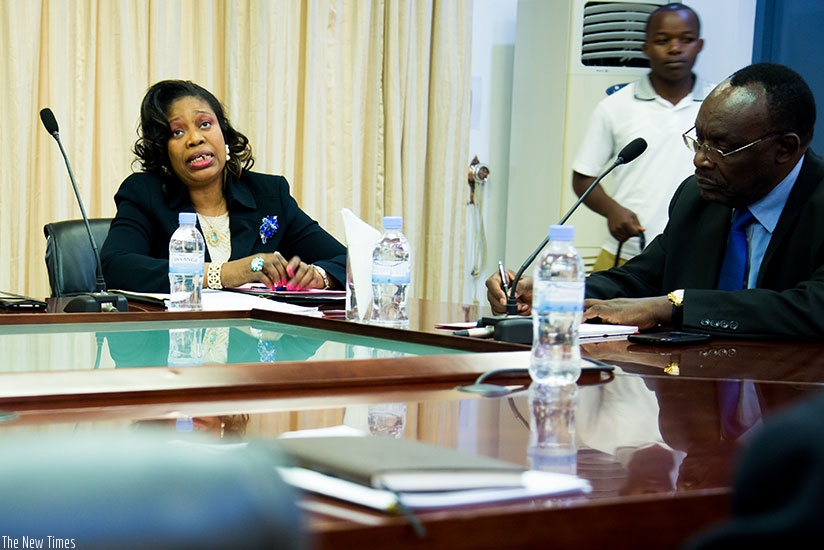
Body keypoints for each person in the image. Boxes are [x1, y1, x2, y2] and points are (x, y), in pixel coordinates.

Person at [488, 62, 824, 341]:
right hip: (695, 395)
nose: (700, 161)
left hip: (795, 400)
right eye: (699, 141)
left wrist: (673, 306)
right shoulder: (698, 198)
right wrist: (552, 293)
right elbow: (643, 278)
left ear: (784, 149)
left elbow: (813, 307)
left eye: (721, 147)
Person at [101, 79, 346, 293]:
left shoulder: (269, 195)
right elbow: (116, 266)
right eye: (177, 132)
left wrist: (320, 277)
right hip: (176, 340)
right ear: (163, 152)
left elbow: (349, 261)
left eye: (205, 124)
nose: (195, 138)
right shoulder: (145, 193)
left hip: (253, 343)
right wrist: (225, 273)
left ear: (224, 134)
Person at [572, 3, 712, 270]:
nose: (675, 48)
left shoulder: (719, 104)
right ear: (645, 48)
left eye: (686, 39)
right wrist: (612, 210)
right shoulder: (616, 105)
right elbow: (583, 177)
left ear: (700, 44)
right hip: (629, 254)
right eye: (662, 40)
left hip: (698, 256)